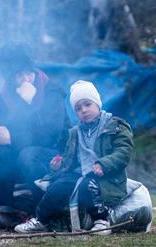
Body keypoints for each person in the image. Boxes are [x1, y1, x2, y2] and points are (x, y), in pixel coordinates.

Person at [0, 43, 70, 229]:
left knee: (28, 154)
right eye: (19, 74)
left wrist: (29, 104)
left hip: (59, 154)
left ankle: (45, 212)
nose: (27, 79)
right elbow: (16, 136)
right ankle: (3, 213)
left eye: (29, 73)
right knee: (1, 150)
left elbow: (52, 135)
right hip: (27, 151)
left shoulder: (51, 91)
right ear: (9, 78)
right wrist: (12, 138)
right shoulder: (1, 101)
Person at [14, 80, 134, 235]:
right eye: (78, 108)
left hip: (107, 177)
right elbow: (70, 160)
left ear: (97, 104)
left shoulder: (115, 126)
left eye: (87, 104)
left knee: (87, 185)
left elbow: (124, 152)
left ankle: (102, 220)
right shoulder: (75, 132)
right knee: (58, 186)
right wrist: (58, 165)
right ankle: (41, 220)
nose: (83, 110)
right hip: (82, 174)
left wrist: (103, 164)